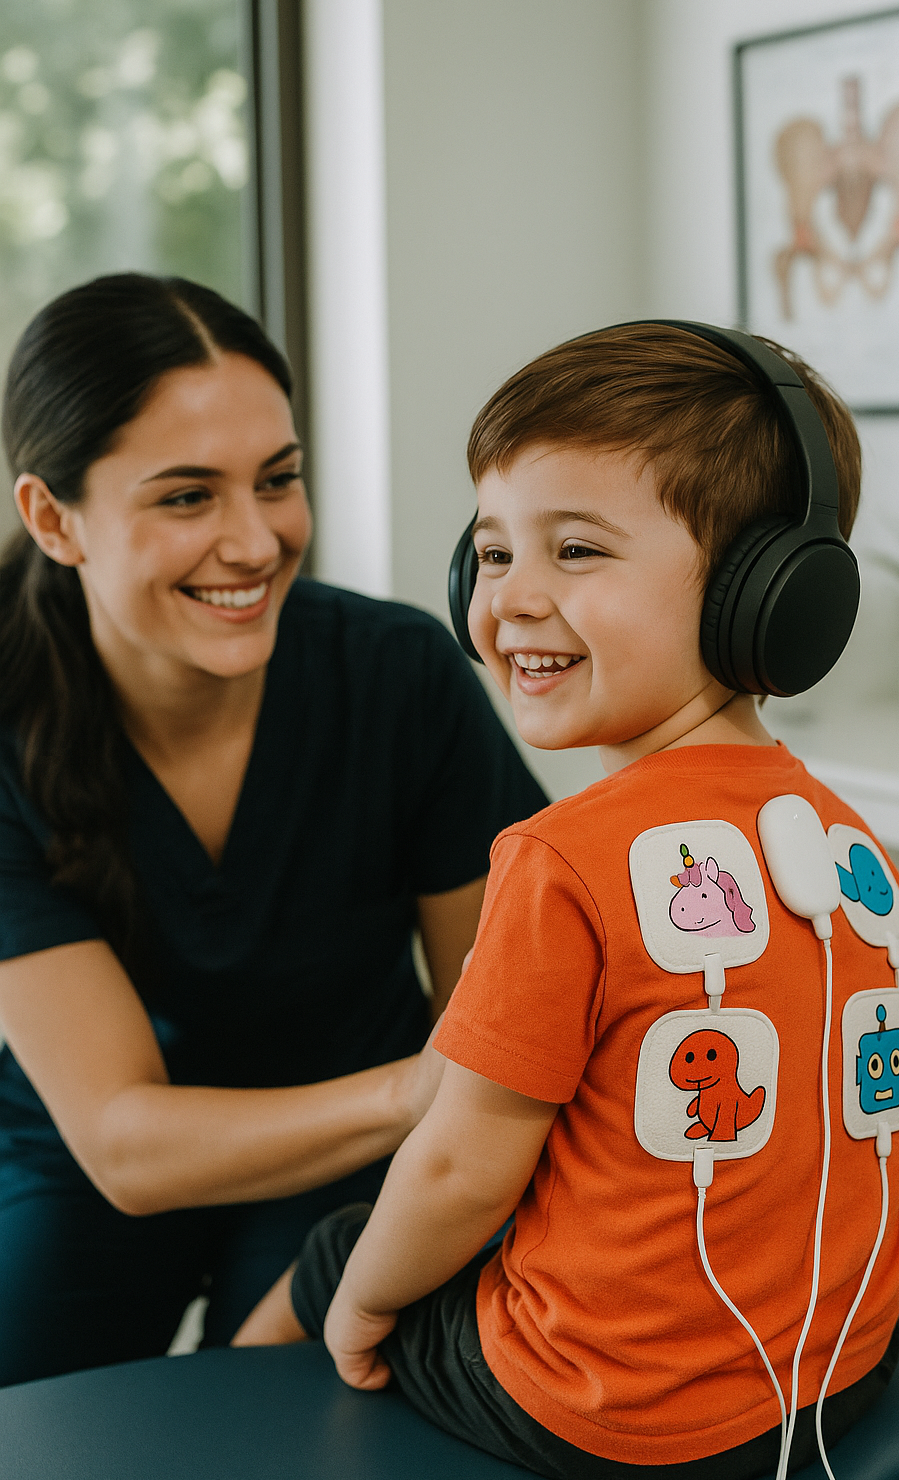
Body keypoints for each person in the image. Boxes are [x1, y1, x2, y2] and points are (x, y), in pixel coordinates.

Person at [235, 323, 899, 1480]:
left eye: (575, 550)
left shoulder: (558, 861)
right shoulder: (837, 838)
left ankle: (219, 1433)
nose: (511, 598)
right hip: (838, 1368)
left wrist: (365, 1310)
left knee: (340, 1248)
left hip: (605, 1413)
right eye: (491, 553)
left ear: (758, 595)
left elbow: (456, 1173)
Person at [0, 272, 546, 1388]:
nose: (255, 542)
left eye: (278, 480)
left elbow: (502, 1001)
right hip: (91, 1159)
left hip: (354, 1155)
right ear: (54, 519)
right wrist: (424, 1088)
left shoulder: (398, 677)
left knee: (296, 1413)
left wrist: (431, 1130)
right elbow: (123, 1143)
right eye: (186, 497)